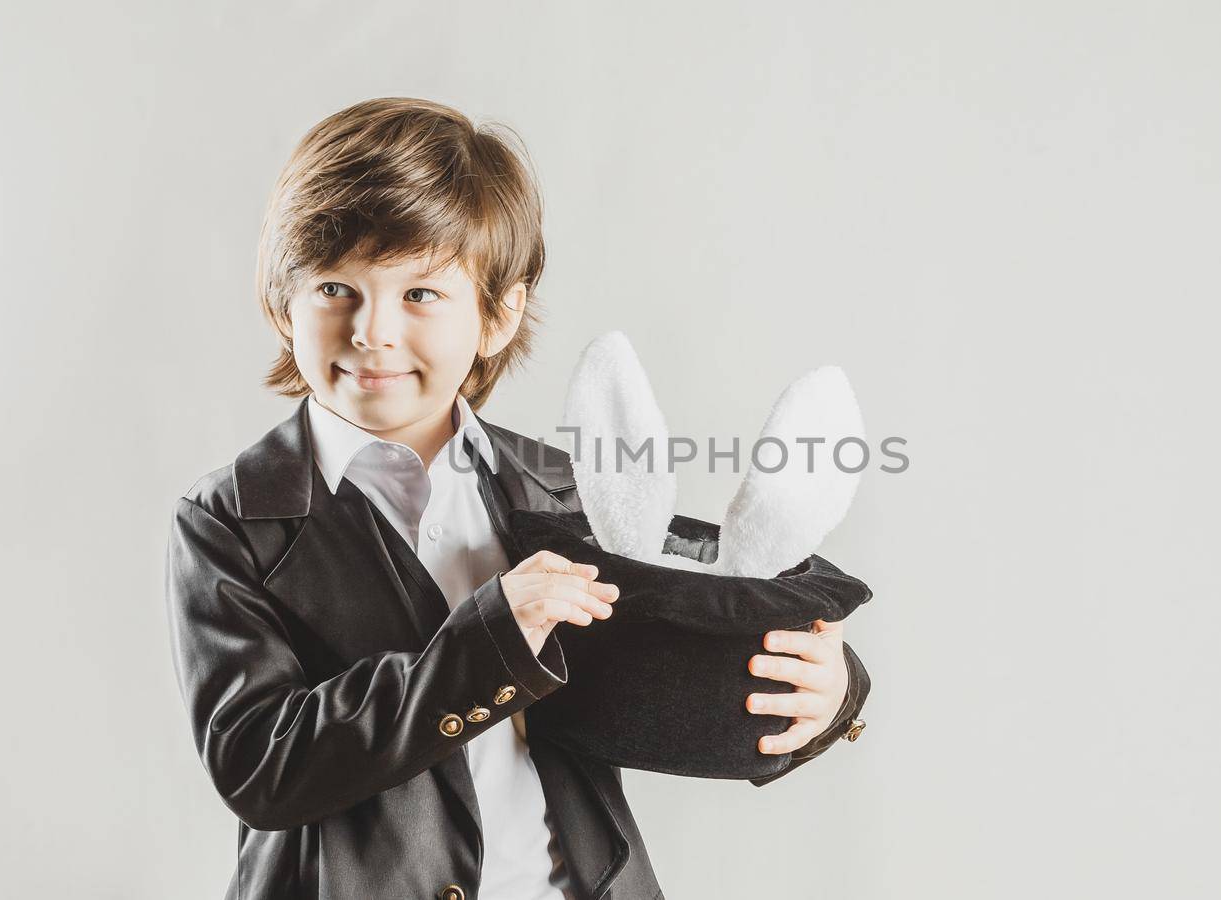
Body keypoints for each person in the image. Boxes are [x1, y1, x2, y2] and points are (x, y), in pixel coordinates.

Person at [164, 97, 872, 900]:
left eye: (420, 294)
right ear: (281, 304)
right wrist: (494, 636)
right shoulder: (231, 520)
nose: (372, 330)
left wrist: (832, 692)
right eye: (335, 287)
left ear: (498, 314)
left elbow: (709, 612)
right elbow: (259, 764)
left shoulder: (564, 485)